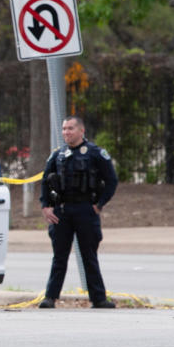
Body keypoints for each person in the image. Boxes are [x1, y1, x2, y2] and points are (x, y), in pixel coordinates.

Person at [38, 115, 118, 309]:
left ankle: (98, 298)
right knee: (59, 256)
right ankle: (50, 297)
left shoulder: (95, 153)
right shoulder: (58, 155)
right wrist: (46, 206)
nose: (66, 132)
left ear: (81, 131)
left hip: (85, 210)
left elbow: (111, 180)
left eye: (70, 128)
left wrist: (99, 205)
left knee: (89, 255)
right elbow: (45, 181)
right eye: (64, 129)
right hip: (62, 211)